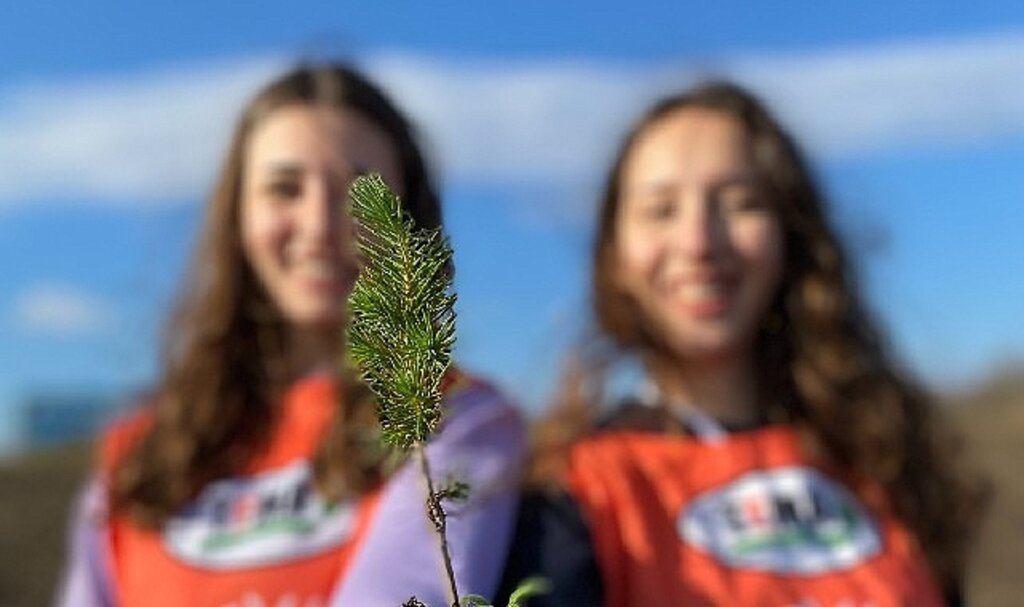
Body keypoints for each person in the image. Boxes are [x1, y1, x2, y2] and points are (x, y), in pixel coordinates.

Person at [498, 81, 986, 606]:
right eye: (660, 210)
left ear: (790, 234)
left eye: (740, 203)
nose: (698, 243)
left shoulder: (885, 455)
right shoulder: (576, 488)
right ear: (615, 257)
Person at [56, 63, 524, 607]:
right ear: (237, 215)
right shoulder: (138, 452)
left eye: (361, 193)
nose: (320, 225)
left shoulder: (452, 418)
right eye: (284, 189)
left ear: (408, 224)